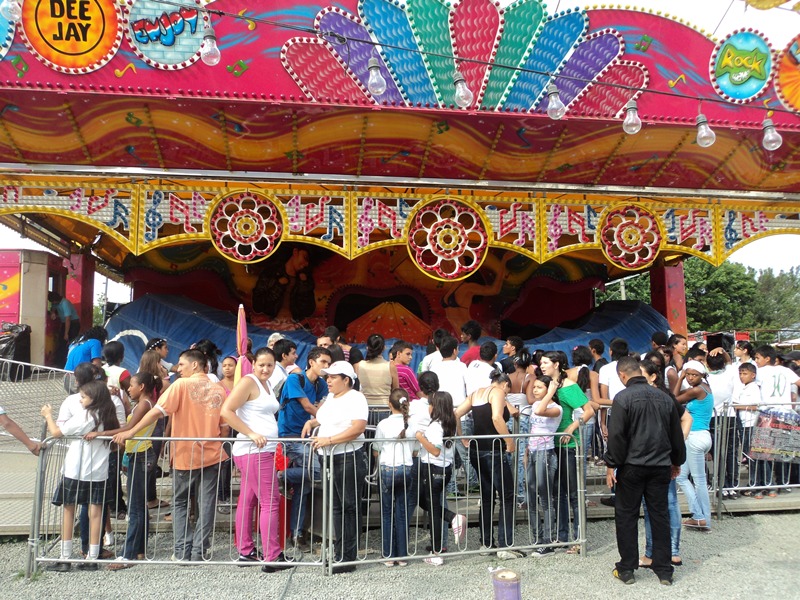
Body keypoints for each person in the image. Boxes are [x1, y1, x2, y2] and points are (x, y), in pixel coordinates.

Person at [114, 349, 228, 562]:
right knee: (206, 504)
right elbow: (225, 427)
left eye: (181, 364)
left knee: (180, 502)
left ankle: (182, 551)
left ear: (195, 365)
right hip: (212, 453)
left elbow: (158, 411)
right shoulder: (219, 389)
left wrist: (131, 431)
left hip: (185, 454)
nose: (178, 369)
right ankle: (199, 551)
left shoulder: (180, 385)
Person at [604, 356, 686, 586]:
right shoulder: (664, 397)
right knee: (659, 515)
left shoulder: (623, 398)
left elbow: (617, 435)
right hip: (660, 464)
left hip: (632, 465)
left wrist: (611, 463)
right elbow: (675, 433)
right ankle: (664, 569)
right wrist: (677, 460)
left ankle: (627, 568)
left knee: (626, 515)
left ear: (622, 375)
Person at [220, 347, 292, 572]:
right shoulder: (248, 382)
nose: (266, 369)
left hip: (261, 450)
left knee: (248, 500)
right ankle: (272, 555)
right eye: (261, 365)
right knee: (270, 502)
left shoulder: (266, 384)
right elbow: (226, 411)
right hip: (254, 450)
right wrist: (251, 433)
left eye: (270, 365)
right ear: (253, 364)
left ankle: (246, 550)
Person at [41, 380, 119, 571]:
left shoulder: (86, 415)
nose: (80, 400)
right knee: (96, 514)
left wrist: (48, 415)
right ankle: (92, 557)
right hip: (98, 471)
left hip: (76, 469)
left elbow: (56, 432)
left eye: (84, 397)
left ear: (94, 398)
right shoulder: (109, 414)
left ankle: (65, 557)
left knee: (68, 511)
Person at [90, 372, 162, 570]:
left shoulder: (145, 404)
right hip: (138, 454)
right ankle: (139, 550)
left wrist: (100, 433)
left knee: (135, 508)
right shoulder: (143, 403)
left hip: (141, 455)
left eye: (132, 385)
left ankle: (128, 555)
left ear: (142, 387)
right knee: (139, 506)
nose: (128, 389)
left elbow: (129, 427)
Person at [303, 361, 368, 574]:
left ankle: (347, 557)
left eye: (332, 377)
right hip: (329, 457)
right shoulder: (331, 397)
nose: (328, 380)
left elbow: (358, 427)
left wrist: (329, 440)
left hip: (347, 457)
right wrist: (313, 423)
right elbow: (325, 418)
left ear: (346, 380)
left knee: (349, 507)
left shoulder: (356, 397)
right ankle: (340, 553)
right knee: (337, 507)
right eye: (327, 377)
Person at [456, 370, 524, 560]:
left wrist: (462, 437)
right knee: (507, 496)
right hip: (494, 449)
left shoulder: (476, 393)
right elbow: (496, 417)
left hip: (477, 449)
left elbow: (456, 413)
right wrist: (509, 441)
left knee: (487, 497)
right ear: (505, 384)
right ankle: (505, 544)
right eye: (508, 391)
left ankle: (486, 543)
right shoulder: (498, 392)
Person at [638, 358, 692, 571]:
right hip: (657, 457)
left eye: (641, 375)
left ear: (653, 376)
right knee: (665, 504)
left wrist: (677, 443)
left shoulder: (663, 397)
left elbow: (687, 419)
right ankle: (667, 551)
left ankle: (661, 552)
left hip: (659, 458)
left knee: (662, 504)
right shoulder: (657, 396)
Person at [277, 346, 331, 550]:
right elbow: (308, 406)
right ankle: (281, 476)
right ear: (311, 362)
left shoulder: (322, 384)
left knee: (305, 485)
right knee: (316, 471)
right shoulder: (295, 379)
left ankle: (297, 534)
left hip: (309, 437)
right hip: (290, 435)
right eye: (323, 362)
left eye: (328, 363)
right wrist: (329, 418)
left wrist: (324, 416)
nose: (326, 366)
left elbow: (324, 406)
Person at [540, 350, 595, 552]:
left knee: (573, 493)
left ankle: (579, 538)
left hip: (568, 445)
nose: (542, 366)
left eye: (545, 362)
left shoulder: (569, 386)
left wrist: (571, 427)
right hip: (550, 444)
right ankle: (562, 536)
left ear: (556, 364)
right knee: (558, 493)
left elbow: (589, 410)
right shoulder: (547, 384)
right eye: (541, 362)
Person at [415, 391, 461, 566]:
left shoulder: (436, 425)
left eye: (431, 404)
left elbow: (435, 450)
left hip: (433, 468)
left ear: (436, 406)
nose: (429, 407)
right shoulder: (450, 422)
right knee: (429, 504)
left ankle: (437, 551)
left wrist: (420, 437)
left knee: (433, 510)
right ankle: (451, 519)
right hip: (444, 468)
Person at [373, 389, 414, 567]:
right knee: (402, 513)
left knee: (387, 513)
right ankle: (402, 555)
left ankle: (388, 555)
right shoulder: (412, 424)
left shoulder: (383, 424)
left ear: (390, 404)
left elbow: (376, 449)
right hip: (406, 467)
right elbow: (415, 450)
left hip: (388, 467)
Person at [753, 344, 800, 495]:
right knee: (783, 451)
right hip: (786, 413)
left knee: (764, 451)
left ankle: (769, 484)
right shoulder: (785, 370)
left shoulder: (759, 372)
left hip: (767, 413)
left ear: (767, 358)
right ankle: (783, 483)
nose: (756, 361)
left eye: (758, 358)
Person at [673, 360, 714, 532]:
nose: (690, 377)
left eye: (694, 375)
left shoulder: (697, 390)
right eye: (688, 374)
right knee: (683, 477)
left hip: (694, 436)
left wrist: (680, 377)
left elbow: (673, 399)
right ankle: (699, 516)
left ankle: (703, 519)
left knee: (697, 481)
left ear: (702, 375)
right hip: (702, 436)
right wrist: (682, 377)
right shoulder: (703, 388)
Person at [526, 375, 561, 554]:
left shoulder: (556, 408)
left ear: (549, 390)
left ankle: (548, 540)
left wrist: (552, 391)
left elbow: (540, 411)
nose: (535, 390)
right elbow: (533, 427)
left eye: (540, 387)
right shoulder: (535, 405)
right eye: (535, 386)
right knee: (531, 497)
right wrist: (526, 451)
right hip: (533, 452)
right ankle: (537, 537)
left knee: (546, 499)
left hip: (546, 453)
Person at [733, 362, 763, 497]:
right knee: (748, 455)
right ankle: (755, 483)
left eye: (745, 374)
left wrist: (737, 406)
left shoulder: (754, 388)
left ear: (753, 375)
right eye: (740, 373)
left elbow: (756, 406)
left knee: (752, 456)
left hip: (751, 424)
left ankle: (755, 484)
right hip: (744, 424)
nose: (742, 376)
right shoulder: (743, 387)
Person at [356, 334, 398, 420]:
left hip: (364, 410)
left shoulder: (359, 365)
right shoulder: (390, 366)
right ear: (384, 348)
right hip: (384, 409)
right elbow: (395, 390)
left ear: (367, 347)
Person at [64, 327, 108, 392]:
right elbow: (97, 364)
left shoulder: (75, 343)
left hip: (66, 378)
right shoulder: (95, 342)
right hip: (80, 378)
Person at [49, 291, 80, 367]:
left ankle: (68, 363)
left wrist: (66, 333)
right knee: (61, 343)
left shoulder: (65, 303)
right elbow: (53, 308)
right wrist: (53, 312)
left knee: (70, 342)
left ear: (56, 299)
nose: (53, 303)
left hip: (73, 324)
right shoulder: (55, 303)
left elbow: (68, 319)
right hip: (64, 323)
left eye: (53, 301)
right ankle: (60, 363)